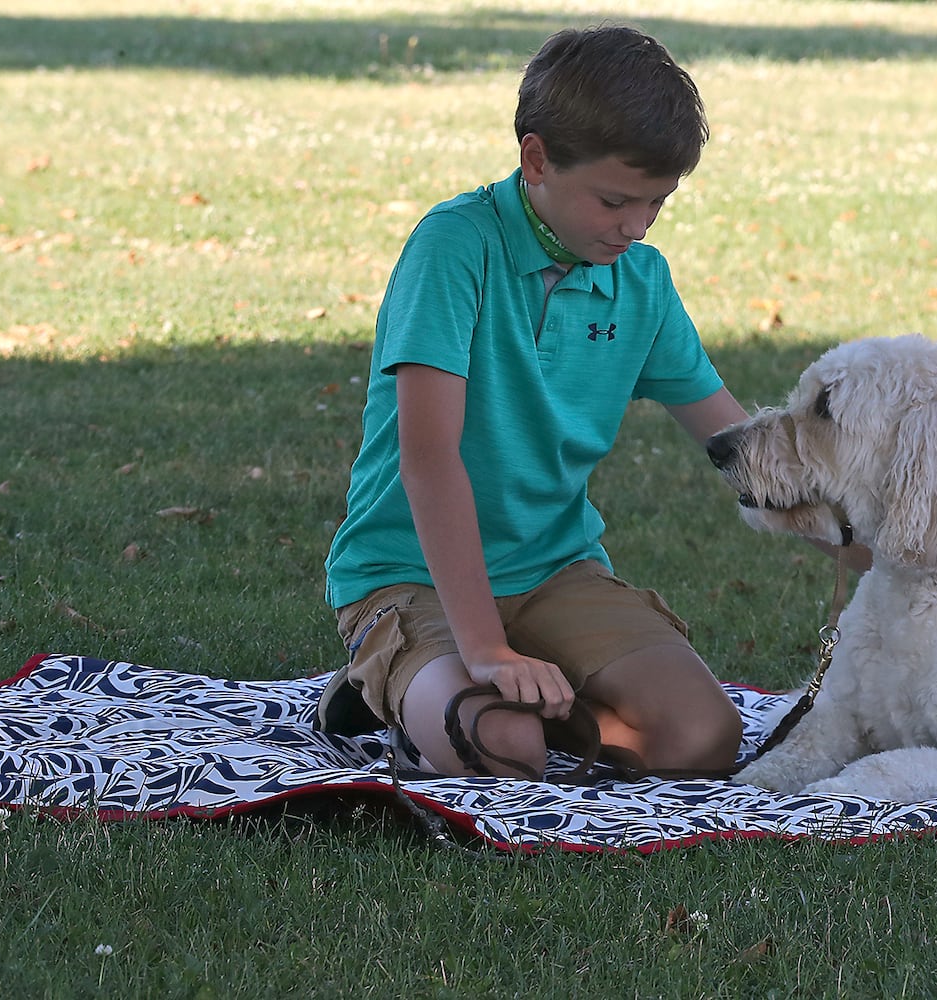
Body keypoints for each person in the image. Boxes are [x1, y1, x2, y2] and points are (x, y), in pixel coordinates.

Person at [318, 24, 753, 779]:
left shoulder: (640, 281)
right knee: (505, 751)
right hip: (410, 571)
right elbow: (429, 463)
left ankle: (493, 685)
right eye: (616, 200)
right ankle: (394, 678)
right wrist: (485, 649)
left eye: (658, 203)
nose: (637, 226)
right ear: (537, 158)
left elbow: (742, 445)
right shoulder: (455, 247)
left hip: (556, 572)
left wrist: (867, 544)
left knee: (701, 740)